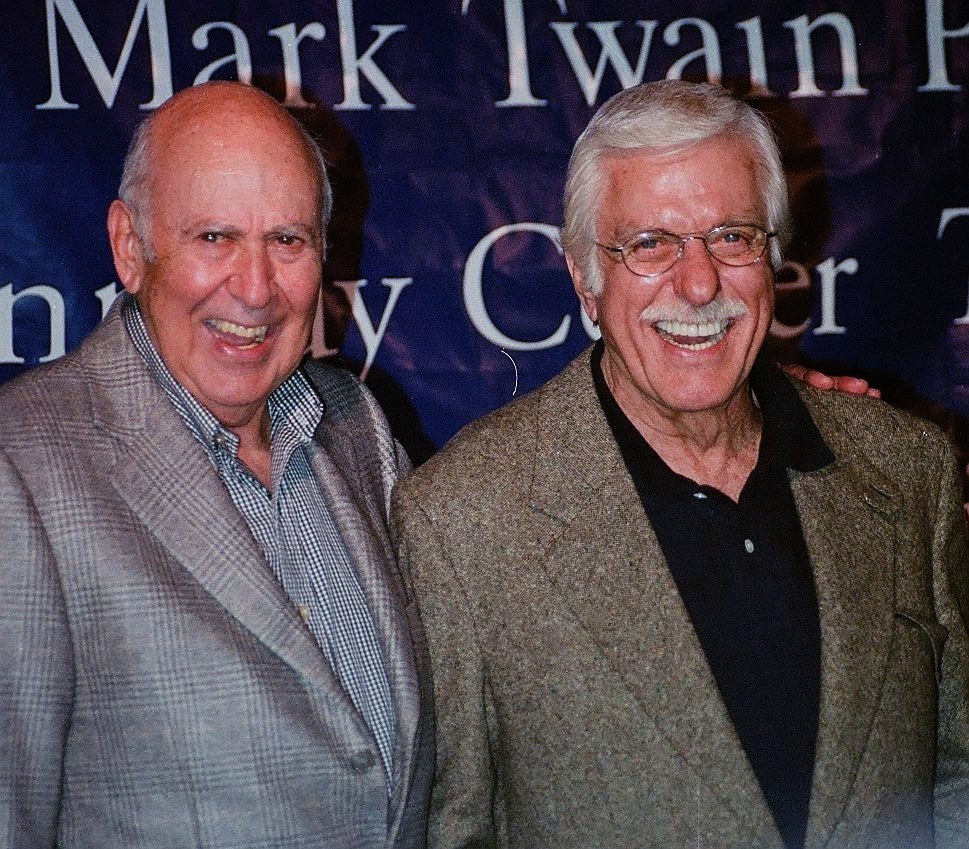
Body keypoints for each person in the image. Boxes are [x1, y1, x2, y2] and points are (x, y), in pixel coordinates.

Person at [391, 80, 969, 849]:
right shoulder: (462, 520)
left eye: (731, 236)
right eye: (649, 244)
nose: (698, 284)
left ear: (772, 258)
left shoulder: (907, 469)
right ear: (583, 281)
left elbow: (958, 772)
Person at [0, 81, 432, 848]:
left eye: (288, 240)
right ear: (131, 248)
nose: (257, 287)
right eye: (214, 238)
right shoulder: (21, 468)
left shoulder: (358, 428)